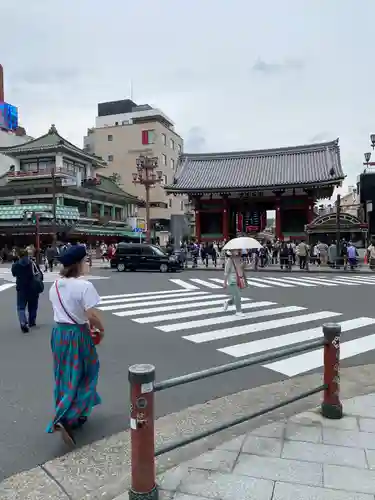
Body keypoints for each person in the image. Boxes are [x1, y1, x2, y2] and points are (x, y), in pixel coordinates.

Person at [46, 244, 104, 446]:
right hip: (78, 335)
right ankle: (67, 416)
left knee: (64, 374)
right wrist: (101, 328)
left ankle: (76, 412)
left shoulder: (55, 285)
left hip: (59, 334)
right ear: (79, 264)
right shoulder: (84, 286)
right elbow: (90, 315)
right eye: (86, 260)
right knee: (88, 372)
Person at [11, 249, 43, 333]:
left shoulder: (15, 265)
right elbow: (40, 274)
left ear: (18, 256)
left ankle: (23, 322)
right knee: (33, 306)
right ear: (27, 255)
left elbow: (14, 274)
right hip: (33, 288)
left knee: (21, 307)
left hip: (21, 288)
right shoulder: (32, 263)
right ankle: (32, 322)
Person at [223, 250, 246, 316]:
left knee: (234, 298)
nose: (237, 251)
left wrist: (252, 263)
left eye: (238, 250)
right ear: (232, 252)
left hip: (239, 279)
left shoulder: (239, 259)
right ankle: (238, 311)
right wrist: (224, 282)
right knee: (238, 295)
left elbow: (243, 268)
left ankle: (227, 302)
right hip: (232, 279)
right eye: (235, 250)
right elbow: (226, 272)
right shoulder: (229, 260)